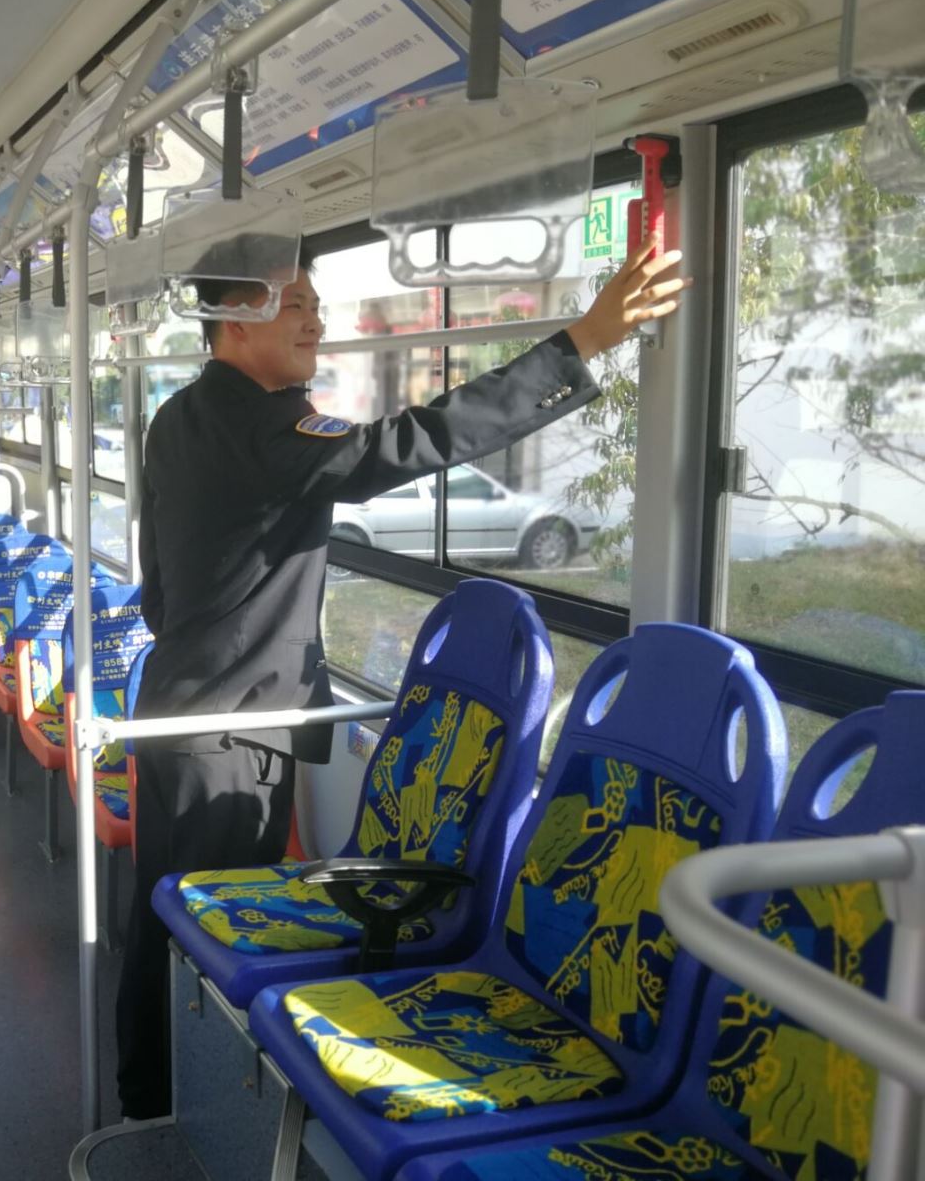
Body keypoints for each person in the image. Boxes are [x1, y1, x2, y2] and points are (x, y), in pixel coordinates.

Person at [115, 234, 688, 1118]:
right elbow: (407, 444)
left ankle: (147, 1098)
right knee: (212, 947)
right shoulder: (266, 427)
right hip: (231, 735)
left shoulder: (181, 416)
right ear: (235, 319)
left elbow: (159, 584)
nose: (316, 318)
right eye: (294, 303)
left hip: (176, 711)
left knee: (162, 919)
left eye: (315, 301)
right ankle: (197, 1128)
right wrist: (579, 345)